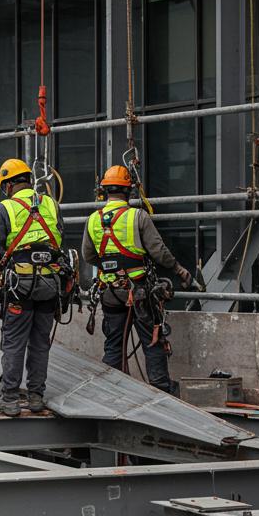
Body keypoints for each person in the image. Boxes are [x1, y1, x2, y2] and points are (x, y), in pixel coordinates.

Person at [82, 165, 195, 395]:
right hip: (140, 291)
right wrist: (179, 270)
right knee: (152, 340)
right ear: (129, 192)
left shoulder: (93, 220)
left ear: (104, 191)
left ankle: (111, 391)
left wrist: (111, 268)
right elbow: (159, 251)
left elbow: (88, 255)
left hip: (111, 293)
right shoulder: (138, 216)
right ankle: (161, 389)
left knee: (113, 344)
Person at [0, 158, 65, 416]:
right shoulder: (50, 204)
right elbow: (58, 238)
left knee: (13, 343)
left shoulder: (5, 208)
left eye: (5, 187)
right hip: (48, 283)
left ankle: (9, 398)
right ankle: (35, 397)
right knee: (40, 343)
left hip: (19, 286)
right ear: (29, 180)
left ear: (10, 184)